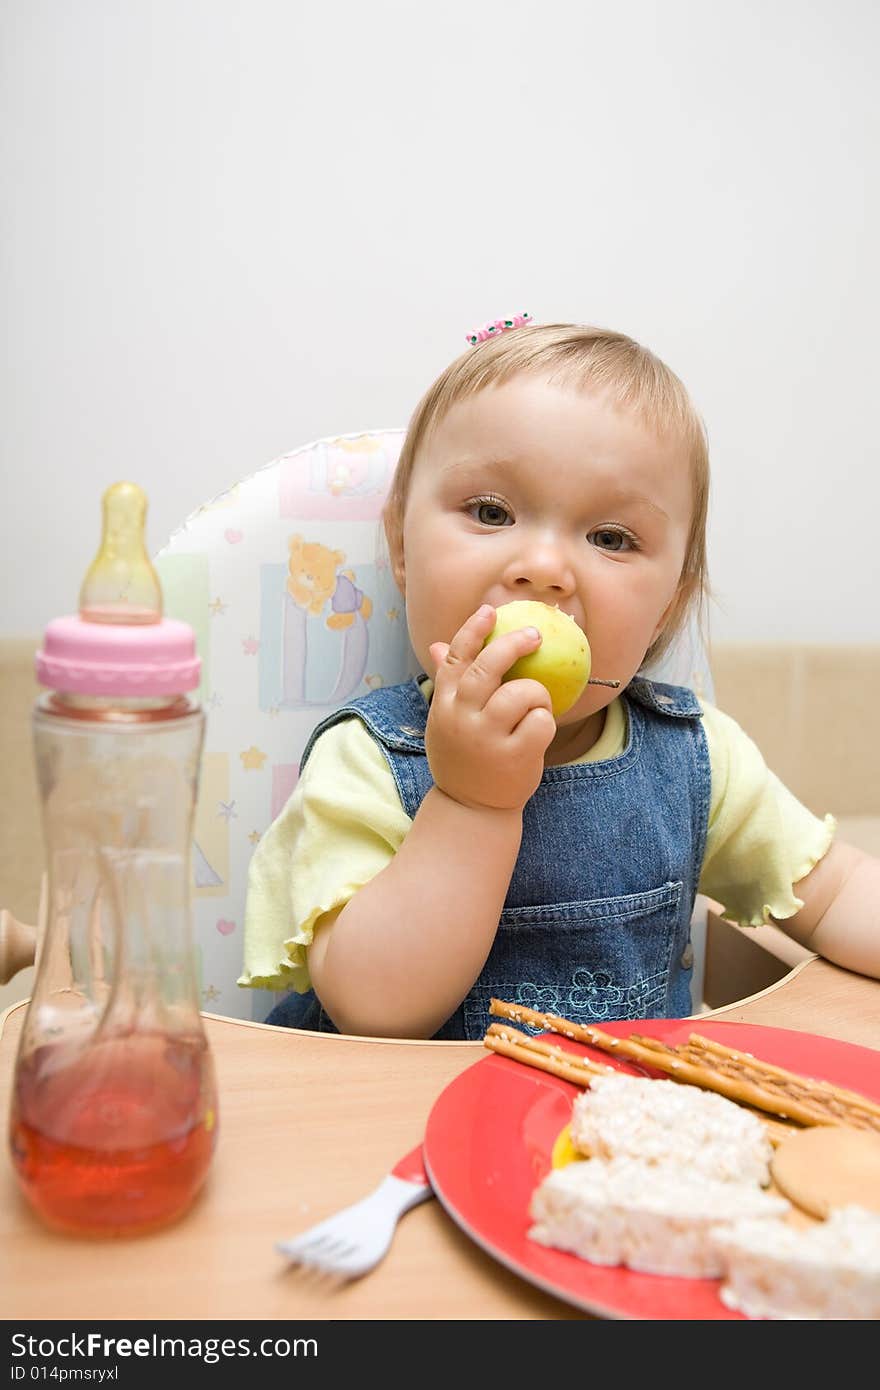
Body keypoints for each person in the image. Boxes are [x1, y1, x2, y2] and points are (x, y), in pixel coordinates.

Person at [239, 318, 880, 1039]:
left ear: (669, 602)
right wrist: (470, 803)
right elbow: (375, 1008)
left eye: (610, 538)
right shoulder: (370, 760)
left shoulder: (698, 759)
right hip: (402, 1139)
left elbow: (839, 893)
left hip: (609, 1139)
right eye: (491, 512)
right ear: (402, 548)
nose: (543, 567)